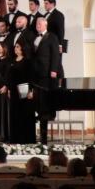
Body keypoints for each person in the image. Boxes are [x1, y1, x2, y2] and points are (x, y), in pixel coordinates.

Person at [30, 16, 63, 144]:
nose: (37, 24)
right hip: (36, 76)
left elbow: (55, 54)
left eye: (40, 23)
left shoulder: (52, 37)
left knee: (45, 107)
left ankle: (44, 137)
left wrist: (54, 70)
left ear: (45, 24)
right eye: (36, 23)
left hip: (47, 76)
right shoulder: (35, 37)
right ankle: (37, 135)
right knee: (37, 104)